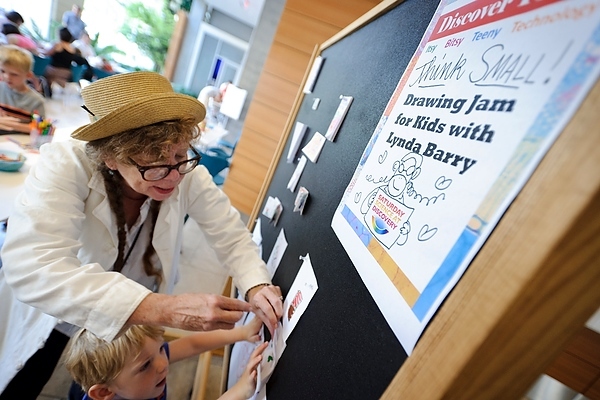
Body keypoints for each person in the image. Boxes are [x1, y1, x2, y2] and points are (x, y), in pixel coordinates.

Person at [0, 71, 283, 399]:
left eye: (179, 156)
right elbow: (34, 267)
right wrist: (162, 308)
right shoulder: (66, 164)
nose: (173, 175)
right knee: (27, 377)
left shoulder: (187, 176)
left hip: (135, 325)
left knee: (123, 377)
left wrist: (256, 284)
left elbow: (231, 236)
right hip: (62, 307)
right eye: (155, 165)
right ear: (111, 156)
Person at [65, 318, 268, 400]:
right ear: (105, 391)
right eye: (145, 366)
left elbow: (192, 345)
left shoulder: (141, 370)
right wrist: (240, 390)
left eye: (161, 349)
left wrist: (242, 332)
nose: (163, 364)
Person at [0, 44, 45, 135]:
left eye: (14, 74)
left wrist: (11, 125)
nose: (6, 77)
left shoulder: (36, 101)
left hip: (21, 142)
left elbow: (41, 129)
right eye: (2, 71)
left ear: (28, 75)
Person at [43, 27, 91, 96]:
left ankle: (43, 89)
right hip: (67, 73)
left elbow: (46, 53)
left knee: (42, 70)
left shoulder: (58, 45)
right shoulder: (72, 48)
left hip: (55, 70)